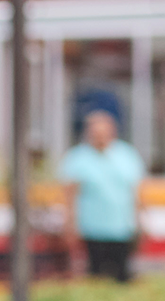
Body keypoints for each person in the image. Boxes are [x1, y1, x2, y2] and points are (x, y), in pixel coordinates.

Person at [60, 107, 144, 282]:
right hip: (92, 228)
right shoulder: (78, 158)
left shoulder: (127, 155)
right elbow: (70, 195)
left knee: (123, 276)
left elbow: (137, 192)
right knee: (95, 276)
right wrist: (70, 225)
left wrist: (140, 221)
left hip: (122, 227)